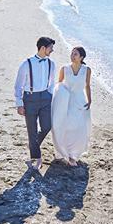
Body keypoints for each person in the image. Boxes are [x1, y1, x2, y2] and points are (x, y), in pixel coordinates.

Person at [14, 36, 57, 170]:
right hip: (30, 99)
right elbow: (18, 86)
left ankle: (33, 145)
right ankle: (37, 158)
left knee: (47, 126)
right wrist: (19, 104)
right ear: (43, 48)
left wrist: (49, 94)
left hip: (45, 98)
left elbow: (52, 82)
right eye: (51, 48)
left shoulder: (51, 64)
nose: (52, 50)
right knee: (32, 130)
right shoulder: (26, 64)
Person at [51, 46, 92, 166]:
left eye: (75, 54)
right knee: (64, 126)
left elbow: (87, 86)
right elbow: (59, 85)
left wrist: (90, 100)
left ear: (81, 57)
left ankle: (74, 155)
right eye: (72, 53)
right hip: (65, 101)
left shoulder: (87, 70)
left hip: (80, 101)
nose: (72, 55)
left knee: (79, 128)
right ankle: (64, 152)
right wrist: (58, 100)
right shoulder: (64, 68)